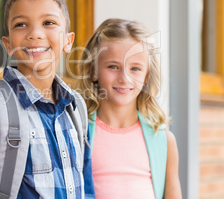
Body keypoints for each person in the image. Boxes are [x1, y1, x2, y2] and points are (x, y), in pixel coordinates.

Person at [0, 0, 95, 198]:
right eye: (21, 24)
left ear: (68, 41)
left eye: (49, 22)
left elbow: (86, 187)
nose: (35, 34)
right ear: (7, 44)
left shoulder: (76, 108)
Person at [77, 18, 182, 198]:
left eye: (135, 68)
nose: (124, 78)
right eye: (112, 66)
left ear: (147, 75)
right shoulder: (78, 134)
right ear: (93, 71)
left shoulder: (163, 140)